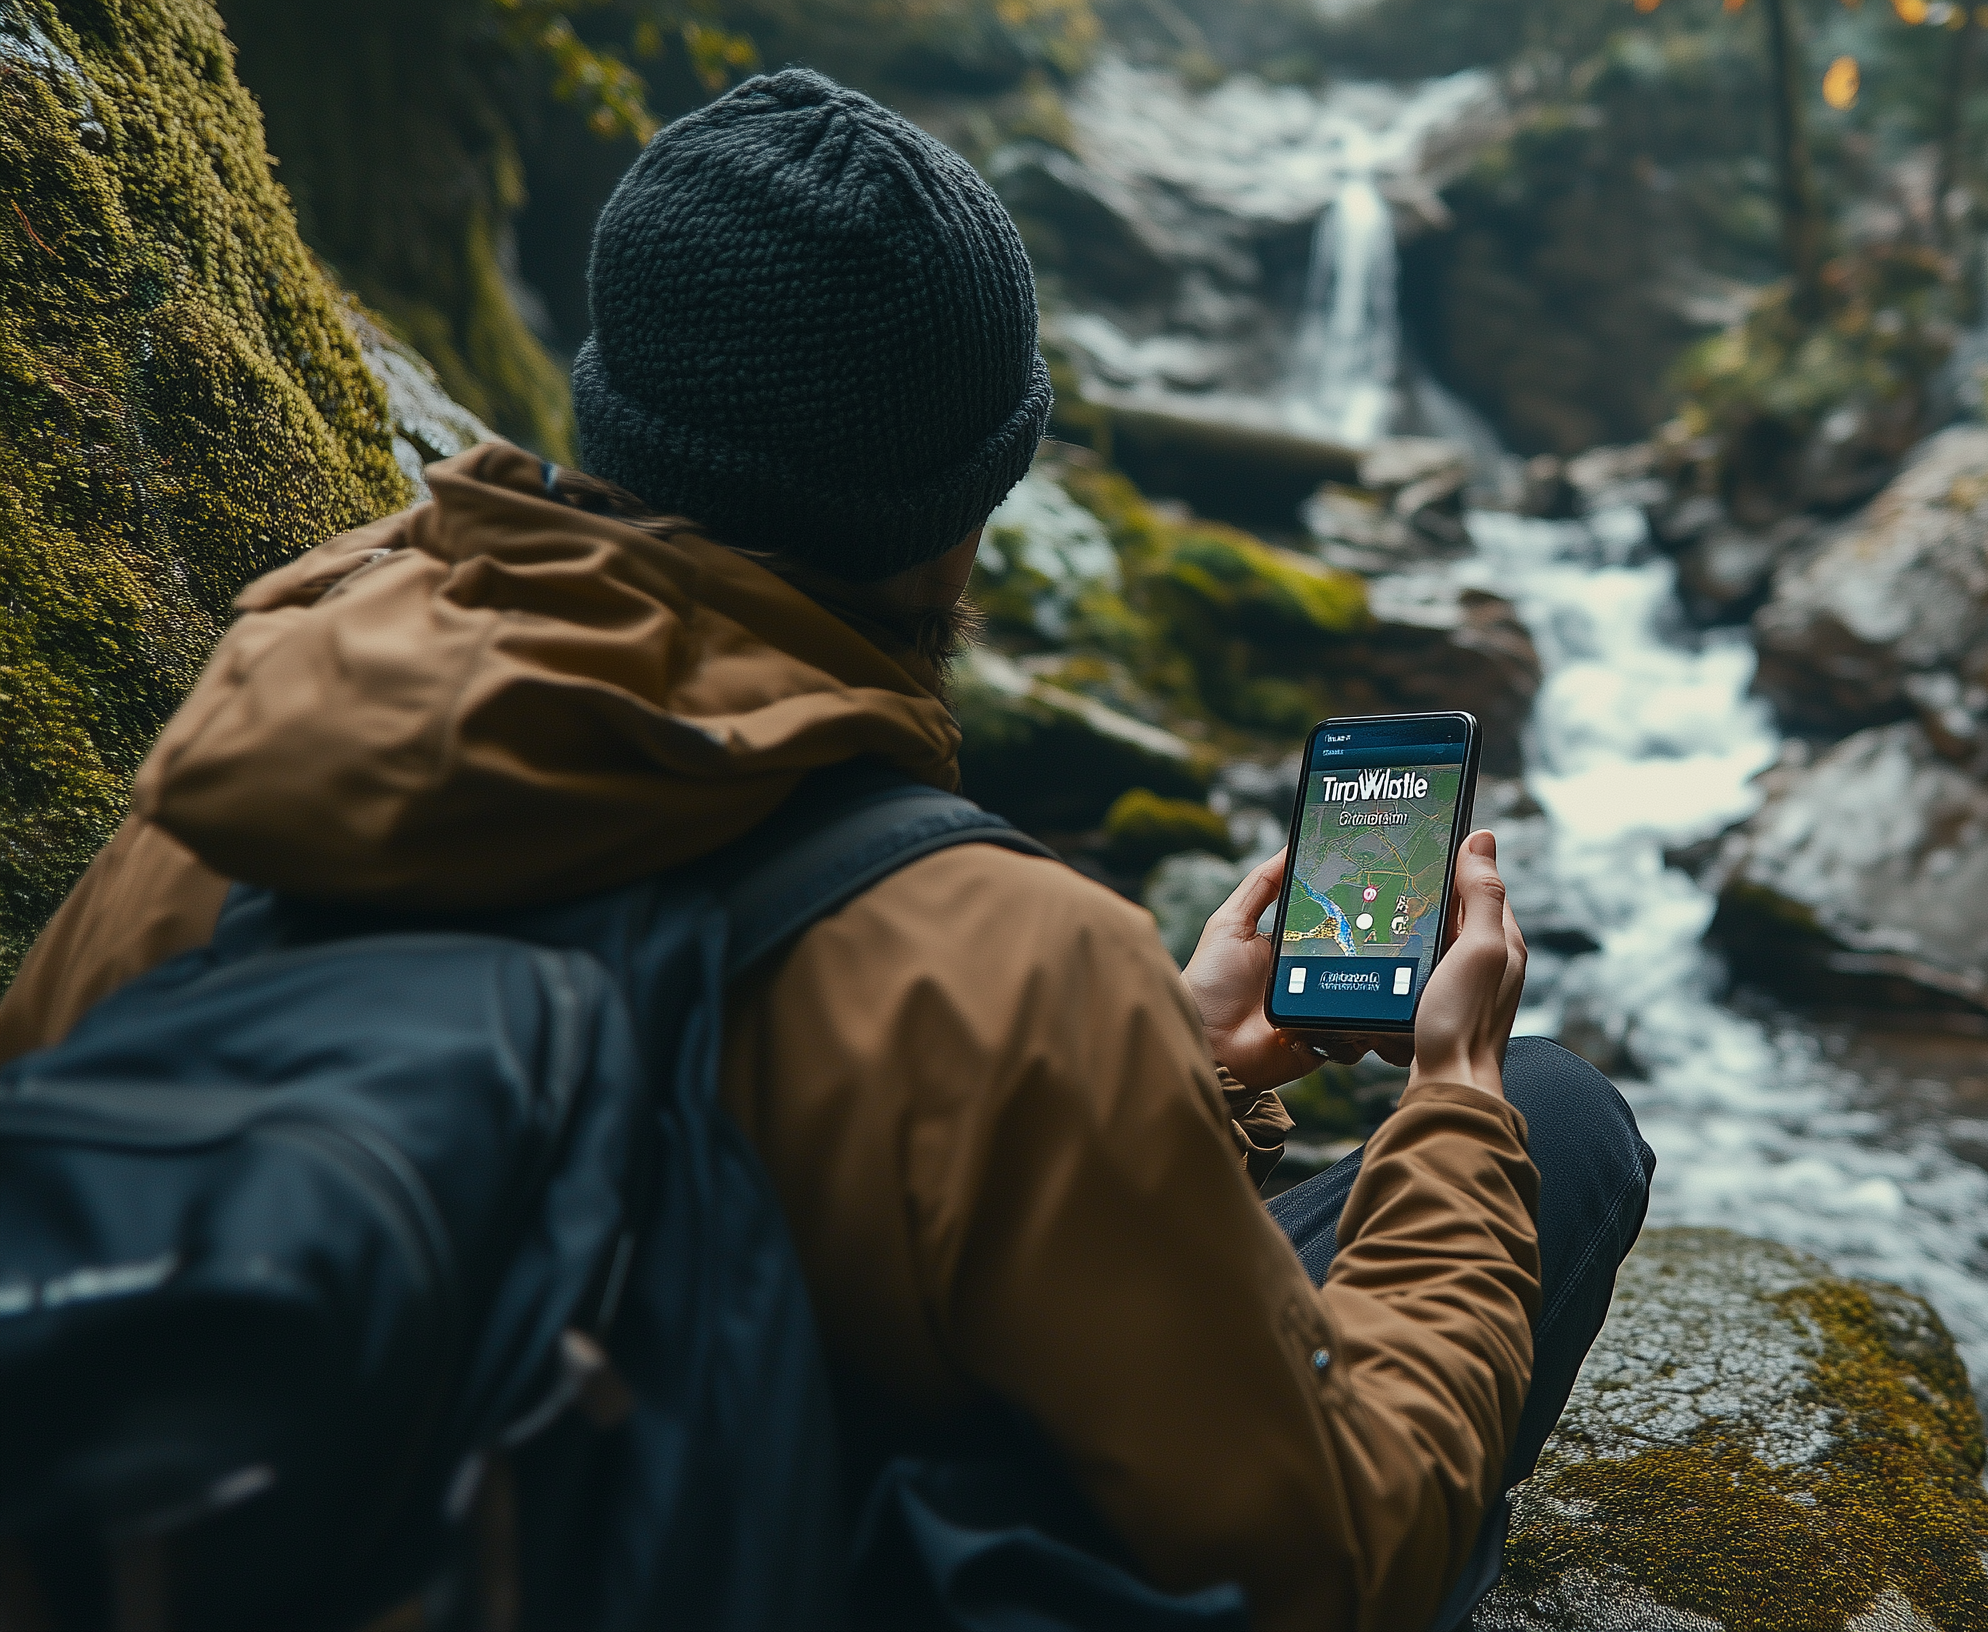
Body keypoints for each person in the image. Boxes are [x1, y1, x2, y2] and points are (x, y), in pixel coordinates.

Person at [0, 69, 1651, 1631]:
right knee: (1554, 1120)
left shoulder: (264, 722)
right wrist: (1451, 1096)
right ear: (967, 505)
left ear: (614, 408)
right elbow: (1327, 1558)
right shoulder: (1005, 960)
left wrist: (1187, 1065)